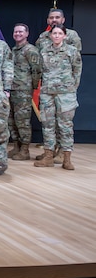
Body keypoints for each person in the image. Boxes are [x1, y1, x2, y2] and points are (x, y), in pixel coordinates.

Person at [34, 25, 82, 170]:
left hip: (65, 94)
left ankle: (66, 158)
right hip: (47, 92)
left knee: (65, 126)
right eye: (54, 33)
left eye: (59, 33)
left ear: (64, 36)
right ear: (50, 35)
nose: (56, 35)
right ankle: (48, 156)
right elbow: (39, 71)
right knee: (48, 125)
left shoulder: (72, 51)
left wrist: (72, 88)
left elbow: (77, 71)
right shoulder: (43, 51)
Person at [8, 23, 41, 161]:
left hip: (23, 90)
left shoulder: (31, 50)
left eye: (21, 32)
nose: (18, 34)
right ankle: (16, 145)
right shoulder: (13, 50)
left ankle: (25, 149)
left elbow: (37, 71)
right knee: (11, 120)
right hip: (11, 89)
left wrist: (31, 87)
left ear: (27, 34)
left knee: (23, 121)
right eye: (16, 32)